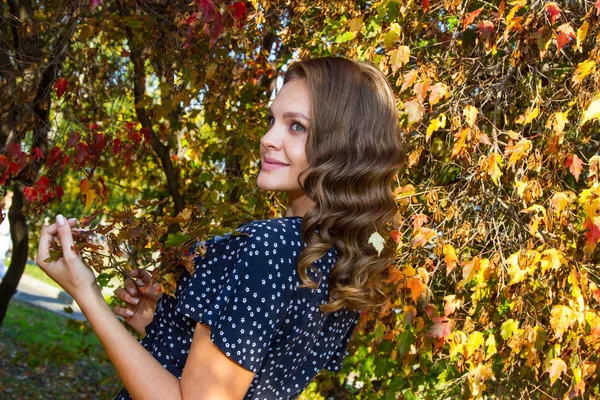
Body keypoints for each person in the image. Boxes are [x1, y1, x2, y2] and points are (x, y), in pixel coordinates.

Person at [36, 57, 404, 400]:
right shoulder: (342, 261)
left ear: (343, 145)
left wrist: (86, 293)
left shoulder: (271, 247)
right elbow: (239, 378)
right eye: (272, 120)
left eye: (296, 126)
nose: (267, 139)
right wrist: (158, 322)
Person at [0, 191, 13, 278]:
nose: (7, 199)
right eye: (7, 197)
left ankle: (8, 284)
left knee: (0, 261)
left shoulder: (12, 214)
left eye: (10, 198)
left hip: (4, 239)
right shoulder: (3, 210)